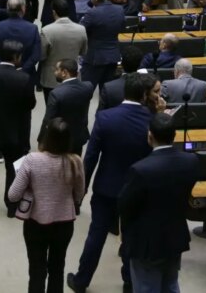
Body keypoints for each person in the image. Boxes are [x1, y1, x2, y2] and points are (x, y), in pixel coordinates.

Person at [67, 73, 156, 292]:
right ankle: (129, 282)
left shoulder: (105, 117)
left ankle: (82, 280)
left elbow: (91, 157)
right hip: (137, 189)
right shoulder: (152, 121)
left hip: (106, 186)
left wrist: (81, 191)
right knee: (131, 237)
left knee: (96, 236)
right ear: (144, 95)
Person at [118, 113, 199, 292]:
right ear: (174, 135)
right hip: (175, 235)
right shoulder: (191, 161)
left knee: (146, 287)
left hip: (146, 243)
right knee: (171, 284)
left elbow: (125, 205)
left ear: (150, 136)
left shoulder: (140, 169)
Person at [9, 118, 84, 293]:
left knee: (37, 270)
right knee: (57, 268)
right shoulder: (75, 162)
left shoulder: (32, 160)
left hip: (36, 224)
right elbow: (79, 195)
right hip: (64, 224)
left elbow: (13, 195)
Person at [0, 39, 36, 216]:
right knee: (12, 169)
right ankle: (11, 205)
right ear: (16, 57)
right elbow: (30, 104)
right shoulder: (24, 79)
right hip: (14, 132)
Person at [39, 59, 94, 155]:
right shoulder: (88, 86)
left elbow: (48, 119)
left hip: (61, 139)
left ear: (64, 72)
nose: (55, 72)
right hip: (79, 136)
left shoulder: (56, 94)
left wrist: (41, 140)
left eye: (57, 69)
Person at [0, 0, 41, 84]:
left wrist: (2, 69)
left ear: (7, 8)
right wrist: (23, 70)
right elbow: (36, 55)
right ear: (23, 9)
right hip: (26, 77)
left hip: (0, 77)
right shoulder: (33, 28)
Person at [39, 0, 87, 101]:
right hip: (73, 76)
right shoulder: (81, 29)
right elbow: (83, 52)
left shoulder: (46, 30)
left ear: (54, 12)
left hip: (51, 78)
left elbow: (41, 55)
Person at [79, 0, 124, 89]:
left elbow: (81, 31)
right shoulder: (119, 10)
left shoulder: (92, 12)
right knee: (108, 92)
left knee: (86, 91)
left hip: (94, 58)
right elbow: (122, 27)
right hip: (113, 56)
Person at [98, 46, 144, 111]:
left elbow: (100, 114)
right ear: (140, 64)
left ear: (121, 64)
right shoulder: (147, 85)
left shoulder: (108, 88)